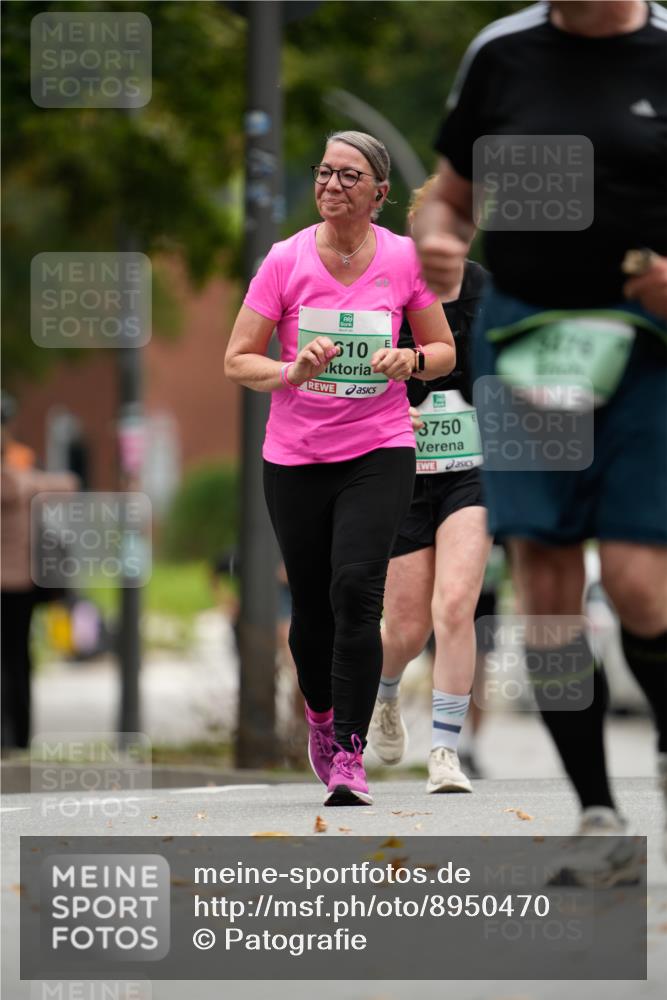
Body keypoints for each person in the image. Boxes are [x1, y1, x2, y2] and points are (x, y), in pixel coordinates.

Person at [414, 0, 667, 869]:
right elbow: (445, 200)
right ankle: (598, 814)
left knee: (639, 589)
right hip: (525, 348)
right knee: (549, 599)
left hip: (644, 350)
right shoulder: (503, 54)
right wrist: (441, 246)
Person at [224, 131, 455, 806]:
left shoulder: (404, 260)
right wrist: (289, 369)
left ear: (379, 195)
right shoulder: (284, 260)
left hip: (379, 445)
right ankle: (320, 717)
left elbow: (441, 347)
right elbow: (237, 357)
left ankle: (349, 753)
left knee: (357, 592)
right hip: (295, 456)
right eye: (324, 173)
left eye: (348, 176)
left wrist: (408, 360)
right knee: (315, 612)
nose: (331, 185)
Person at [368, 177, 490, 793]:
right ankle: (385, 695)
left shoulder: (488, 290)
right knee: (406, 631)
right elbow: (358, 368)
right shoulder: (388, 287)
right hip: (405, 469)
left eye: (459, 228)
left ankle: (446, 753)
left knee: (455, 606)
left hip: (472, 470)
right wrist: (394, 404)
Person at [1, 395, 77, 748]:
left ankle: (14, 737)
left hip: (17, 583)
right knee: (17, 659)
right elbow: (64, 484)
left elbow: (64, 486)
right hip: (18, 583)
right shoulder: (22, 471)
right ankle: (16, 737)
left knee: (16, 658)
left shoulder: (22, 467)